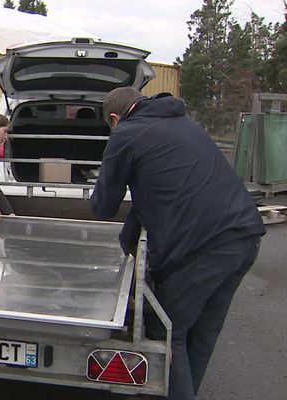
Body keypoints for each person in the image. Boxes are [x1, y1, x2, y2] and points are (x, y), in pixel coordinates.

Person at [90, 87, 265, 400]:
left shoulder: (126, 133)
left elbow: (104, 206)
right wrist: (127, 243)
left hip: (203, 247)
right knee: (203, 334)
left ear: (115, 118)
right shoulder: (183, 123)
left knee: (167, 333)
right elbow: (153, 197)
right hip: (245, 237)